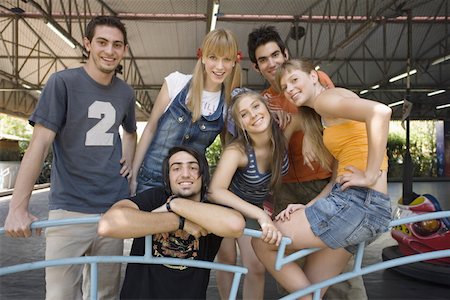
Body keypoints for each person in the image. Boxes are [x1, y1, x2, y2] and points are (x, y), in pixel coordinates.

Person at [4, 16, 137, 299]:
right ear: (87, 44)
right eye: (102, 42)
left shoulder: (126, 92)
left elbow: (131, 133)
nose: (109, 51)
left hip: (112, 208)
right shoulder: (62, 82)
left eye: (117, 45)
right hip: (70, 208)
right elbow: (39, 143)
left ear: (124, 50)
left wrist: (129, 162)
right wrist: (18, 207)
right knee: (60, 294)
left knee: (105, 293)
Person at [252, 59, 392, 300]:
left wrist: (370, 174)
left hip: (358, 204)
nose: (290, 89)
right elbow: (334, 182)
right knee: (312, 291)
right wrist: (308, 207)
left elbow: (381, 112)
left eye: (295, 80)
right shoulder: (327, 116)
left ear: (314, 77)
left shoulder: (326, 100)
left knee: (262, 243)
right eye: (284, 87)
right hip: (368, 207)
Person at [98, 146, 245, 299]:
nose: (185, 174)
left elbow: (236, 225)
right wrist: (179, 221)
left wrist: (176, 205)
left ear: (203, 175)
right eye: (176, 168)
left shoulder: (210, 208)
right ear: (167, 177)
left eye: (193, 167)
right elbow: (108, 224)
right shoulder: (156, 198)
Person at [208, 89, 309, 299]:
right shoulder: (238, 151)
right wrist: (261, 214)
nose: (253, 115)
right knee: (227, 259)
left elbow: (310, 117)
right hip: (225, 207)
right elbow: (215, 190)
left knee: (256, 267)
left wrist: (308, 139)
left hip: (253, 209)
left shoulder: (282, 135)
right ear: (240, 124)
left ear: (266, 107)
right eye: (244, 114)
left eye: (256, 106)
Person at [130, 28, 242, 196]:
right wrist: (133, 178)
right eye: (213, 57)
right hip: (150, 181)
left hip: (190, 187)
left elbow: (229, 150)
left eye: (226, 59)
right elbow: (150, 129)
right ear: (203, 57)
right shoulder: (176, 82)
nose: (220, 66)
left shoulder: (228, 105)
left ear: (234, 62)